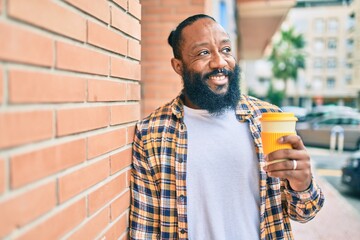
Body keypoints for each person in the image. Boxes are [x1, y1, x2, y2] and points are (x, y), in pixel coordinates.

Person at [129, 14, 324, 240]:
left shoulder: (268, 119)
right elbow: (145, 230)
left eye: (226, 49)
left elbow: (304, 212)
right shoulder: (152, 133)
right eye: (203, 53)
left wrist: (302, 184)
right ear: (178, 66)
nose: (220, 62)